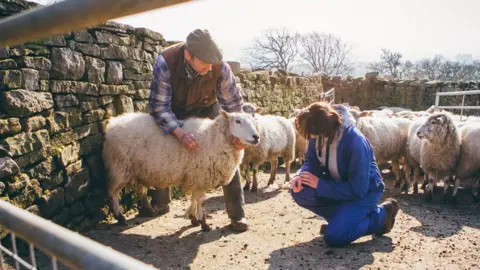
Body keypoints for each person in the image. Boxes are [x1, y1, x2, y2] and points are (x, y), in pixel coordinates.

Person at [147, 29, 249, 231]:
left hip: (207, 107)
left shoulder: (219, 67)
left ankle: (237, 214)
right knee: (162, 148)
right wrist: (179, 132)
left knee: (228, 152)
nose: (210, 67)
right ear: (188, 56)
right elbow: (159, 107)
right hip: (172, 109)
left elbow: (235, 104)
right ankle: (160, 202)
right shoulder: (166, 62)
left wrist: (239, 135)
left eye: (212, 63)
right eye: (204, 62)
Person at [289, 102, 400, 246]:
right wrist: (301, 175)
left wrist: (320, 184)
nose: (310, 138)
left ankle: (380, 216)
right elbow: (311, 160)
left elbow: (358, 190)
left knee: (335, 237)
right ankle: (343, 222)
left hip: (364, 192)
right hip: (339, 184)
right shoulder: (318, 133)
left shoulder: (354, 142)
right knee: (301, 191)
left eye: (312, 135)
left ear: (322, 129)